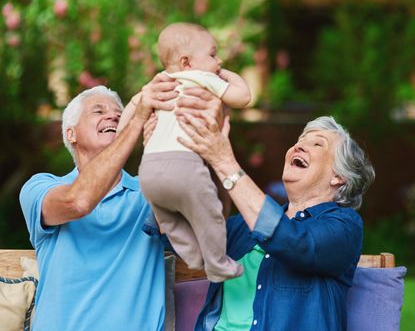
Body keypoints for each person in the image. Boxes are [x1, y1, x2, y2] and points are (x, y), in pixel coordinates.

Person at [18, 75, 222, 331]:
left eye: (119, 114)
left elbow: (203, 242)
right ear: (71, 134)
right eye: (98, 111)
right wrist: (135, 121)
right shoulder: (41, 188)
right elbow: (77, 202)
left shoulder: (148, 192)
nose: (113, 117)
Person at [174, 114, 375, 330]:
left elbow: (296, 243)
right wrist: (186, 156)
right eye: (300, 140)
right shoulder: (242, 226)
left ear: (338, 177)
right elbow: (177, 232)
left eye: (317, 143)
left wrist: (225, 162)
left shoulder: (344, 226)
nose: (299, 147)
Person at [118, 22, 251, 282]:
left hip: (149, 171)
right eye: (213, 55)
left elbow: (131, 112)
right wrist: (226, 76)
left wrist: (128, 128)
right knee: (208, 212)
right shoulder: (203, 78)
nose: (219, 60)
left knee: (169, 219)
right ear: (187, 62)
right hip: (185, 167)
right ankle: (217, 263)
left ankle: (192, 256)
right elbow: (243, 97)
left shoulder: (158, 85)